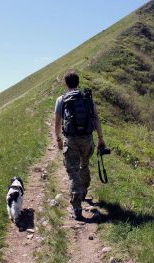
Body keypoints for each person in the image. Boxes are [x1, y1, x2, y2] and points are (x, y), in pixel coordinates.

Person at [54, 71, 105, 220]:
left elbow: (57, 121)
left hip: (71, 140)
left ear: (65, 83)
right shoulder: (87, 98)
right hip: (87, 139)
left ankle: (77, 207)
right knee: (85, 165)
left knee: (73, 172)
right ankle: (83, 191)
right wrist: (101, 138)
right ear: (78, 82)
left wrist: (58, 138)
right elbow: (96, 118)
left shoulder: (61, 99)